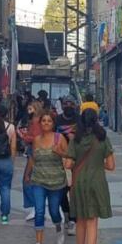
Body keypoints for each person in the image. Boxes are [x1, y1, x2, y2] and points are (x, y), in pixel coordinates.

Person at [63, 108, 115, 244]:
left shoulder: (75, 140)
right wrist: (98, 163)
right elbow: (111, 165)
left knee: (80, 222)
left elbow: (68, 164)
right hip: (97, 183)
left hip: (79, 183)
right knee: (92, 223)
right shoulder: (103, 138)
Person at [25, 110, 69, 244]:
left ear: (53, 123)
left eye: (49, 121)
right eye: (44, 120)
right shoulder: (36, 140)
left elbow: (69, 157)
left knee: (54, 211)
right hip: (38, 180)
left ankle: (59, 228)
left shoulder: (59, 138)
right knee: (39, 211)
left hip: (56, 182)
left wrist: (60, 152)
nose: (46, 123)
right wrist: (27, 174)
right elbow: (32, 158)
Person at [56, 95, 79, 236]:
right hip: (60, 159)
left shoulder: (79, 119)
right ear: (62, 105)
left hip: (76, 159)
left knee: (74, 191)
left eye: (71, 103)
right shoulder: (57, 120)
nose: (68, 105)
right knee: (61, 190)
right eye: (66, 103)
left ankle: (73, 220)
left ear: (75, 105)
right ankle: (66, 214)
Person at [18, 100, 43, 221]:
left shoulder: (36, 122)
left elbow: (35, 138)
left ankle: (35, 207)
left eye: (30, 109)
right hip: (35, 151)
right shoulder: (36, 121)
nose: (28, 112)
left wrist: (24, 136)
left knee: (28, 179)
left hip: (34, 151)